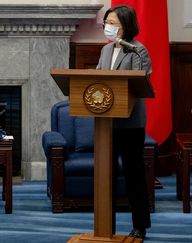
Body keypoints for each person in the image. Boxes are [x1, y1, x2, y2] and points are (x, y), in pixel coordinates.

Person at [96, 5, 151, 239]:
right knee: (105, 175)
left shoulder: (139, 51)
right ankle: (104, 226)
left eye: (113, 23)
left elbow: (139, 84)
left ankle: (140, 225)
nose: (108, 27)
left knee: (133, 174)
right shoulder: (105, 51)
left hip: (130, 123)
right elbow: (98, 79)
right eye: (106, 23)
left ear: (126, 25)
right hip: (106, 124)